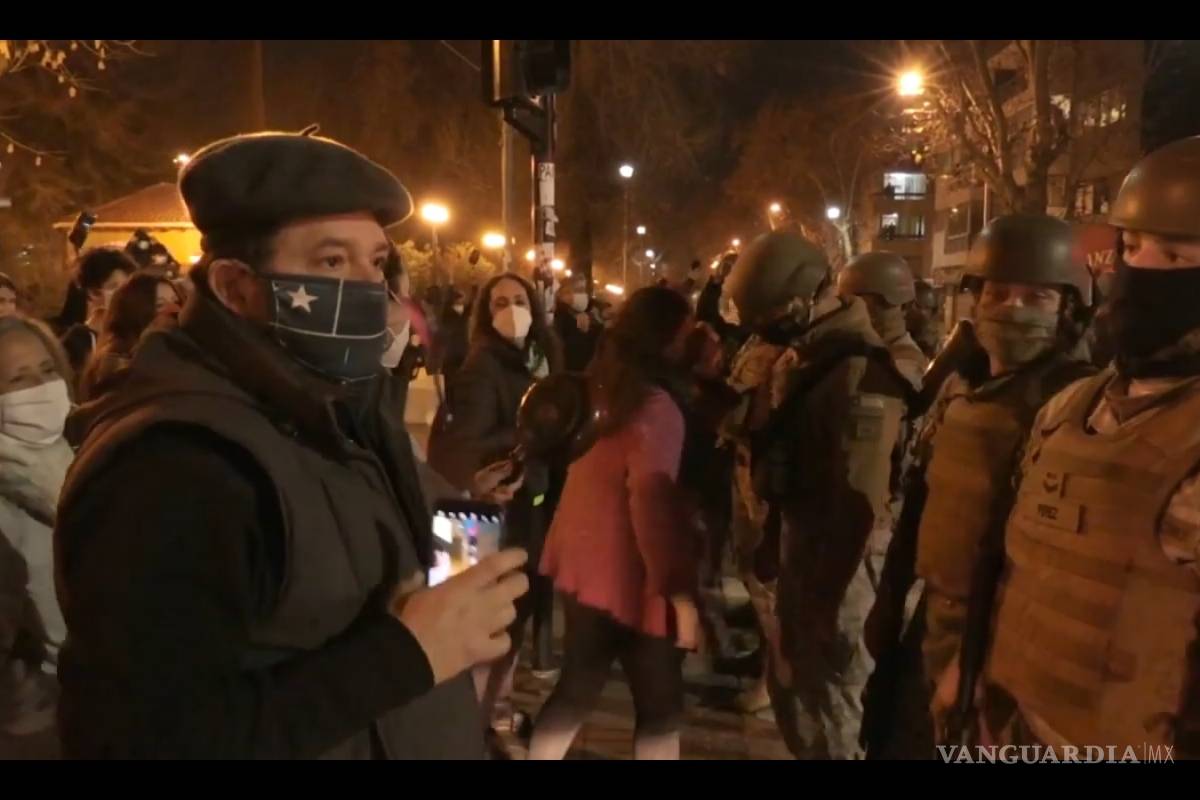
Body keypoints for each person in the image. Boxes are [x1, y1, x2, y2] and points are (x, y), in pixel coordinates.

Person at [53, 130, 528, 759]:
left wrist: (457, 519)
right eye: (331, 263)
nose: (369, 289)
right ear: (235, 286)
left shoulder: (340, 406)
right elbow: (145, 740)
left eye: (377, 262)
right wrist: (407, 656)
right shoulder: (177, 465)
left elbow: (346, 549)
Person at [934, 137, 1200, 758]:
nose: (1141, 271)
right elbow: (1018, 566)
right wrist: (970, 667)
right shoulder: (1070, 409)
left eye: (1177, 255)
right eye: (1132, 248)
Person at [865, 214, 1095, 758]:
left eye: (1036, 296)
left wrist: (981, 662)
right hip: (932, 625)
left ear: (1068, 310)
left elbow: (1043, 567)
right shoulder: (961, 387)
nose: (1012, 309)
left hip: (1000, 647)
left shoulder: (1073, 408)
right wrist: (889, 605)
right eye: (998, 292)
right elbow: (919, 506)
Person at [722, 230, 912, 759]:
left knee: (832, 705)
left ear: (805, 299)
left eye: (771, 313)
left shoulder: (856, 369)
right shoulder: (808, 352)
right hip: (804, 552)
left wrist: (820, 608)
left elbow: (856, 501)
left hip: (840, 570)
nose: (764, 328)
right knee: (798, 697)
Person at [529, 286, 701, 760]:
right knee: (661, 706)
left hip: (583, 564)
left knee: (577, 687)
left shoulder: (598, 384)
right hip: (636, 574)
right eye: (684, 334)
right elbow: (652, 501)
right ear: (664, 338)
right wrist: (680, 595)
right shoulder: (657, 406)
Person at [427, 271, 563, 755]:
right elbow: (464, 447)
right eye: (500, 301)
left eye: (520, 299)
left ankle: (494, 714)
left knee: (513, 620)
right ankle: (474, 729)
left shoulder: (538, 357)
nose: (513, 309)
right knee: (491, 627)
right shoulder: (484, 366)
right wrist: (531, 430)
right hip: (489, 517)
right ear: (485, 313)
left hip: (530, 504)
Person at [0, 316, 75, 759]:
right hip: (40, 719)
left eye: (47, 372)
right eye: (17, 380)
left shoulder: (85, 455)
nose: (40, 388)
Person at [77, 273, 182, 402]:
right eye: (159, 305)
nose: (175, 310)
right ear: (135, 312)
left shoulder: (171, 351)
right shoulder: (119, 366)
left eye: (176, 302)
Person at [836, 251, 929, 390]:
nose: (852, 311)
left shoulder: (906, 366)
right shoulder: (864, 351)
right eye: (844, 302)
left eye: (862, 301)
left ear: (904, 305)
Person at [58, 248, 135, 379]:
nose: (125, 293)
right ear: (93, 293)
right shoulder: (77, 341)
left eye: (129, 285)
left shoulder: (136, 332)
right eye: (114, 286)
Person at [553, 276, 601, 373]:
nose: (581, 295)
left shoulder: (594, 320)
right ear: (562, 295)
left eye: (582, 291)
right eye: (577, 291)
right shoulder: (558, 322)